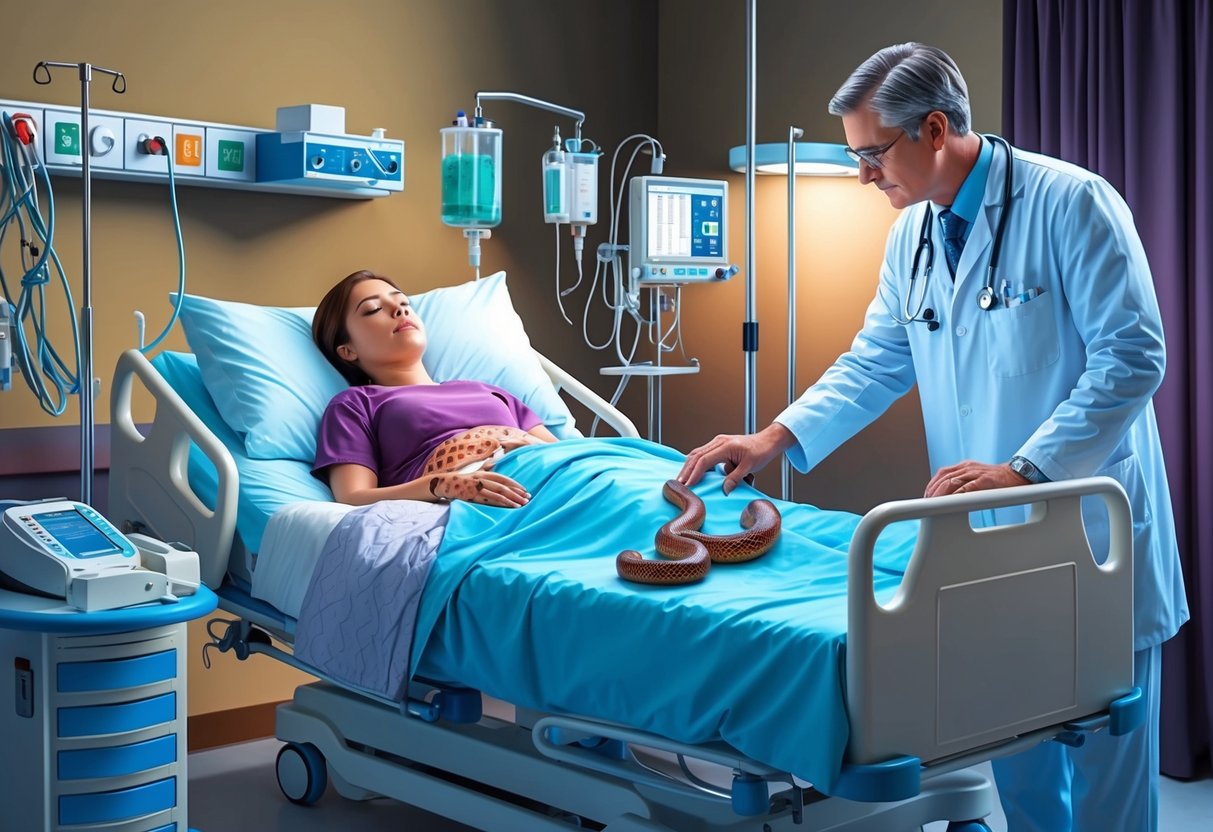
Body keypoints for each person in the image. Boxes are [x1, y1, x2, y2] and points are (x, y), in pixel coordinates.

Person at [678, 43, 1188, 832]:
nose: (862, 174)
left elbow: (1134, 357)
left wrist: (1024, 472)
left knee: (1105, 785)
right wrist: (774, 436)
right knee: (1017, 768)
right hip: (986, 541)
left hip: (1089, 532)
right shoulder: (911, 236)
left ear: (935, 129)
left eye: (870, 154)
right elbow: (876, 360)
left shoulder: (1072, 203)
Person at [311, 269, 557, 509]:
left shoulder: (488, 391)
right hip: (491, 498)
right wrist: (441, 485)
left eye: (404, 302)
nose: (401, 309)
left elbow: (562, 451)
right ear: (347, 350)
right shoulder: (355, 404)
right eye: (374, 309)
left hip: (550, 474)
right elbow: (353, 496)